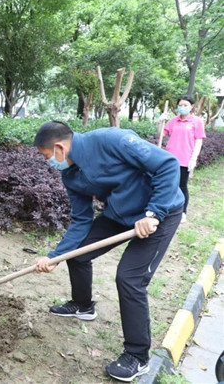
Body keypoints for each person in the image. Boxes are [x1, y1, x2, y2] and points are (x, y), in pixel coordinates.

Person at [33, 121, 184, 382]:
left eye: (48, 157)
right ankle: (82, 305)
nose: (50, 164)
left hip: (159, 213)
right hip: (120, 214)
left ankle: (137, 357)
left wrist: (153, 212)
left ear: (59, 147)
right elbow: (81, 219)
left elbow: (167, 165)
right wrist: (56, 255)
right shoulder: (70, 174)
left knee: (129, 278)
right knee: (77, 254)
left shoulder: (111, 140)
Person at [163, 95, 205, 223]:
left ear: (191, 106)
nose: (182, 107)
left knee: (182, 186)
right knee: (168, 185)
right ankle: (167, 209)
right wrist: (161, 122)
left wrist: (194, 158)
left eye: (185, 105)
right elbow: (162, 133)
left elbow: (199, 141)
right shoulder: (173, 120)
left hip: (185, 159)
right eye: (180, 105)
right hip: (170, 158)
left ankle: (182, 212)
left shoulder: (196, 121)